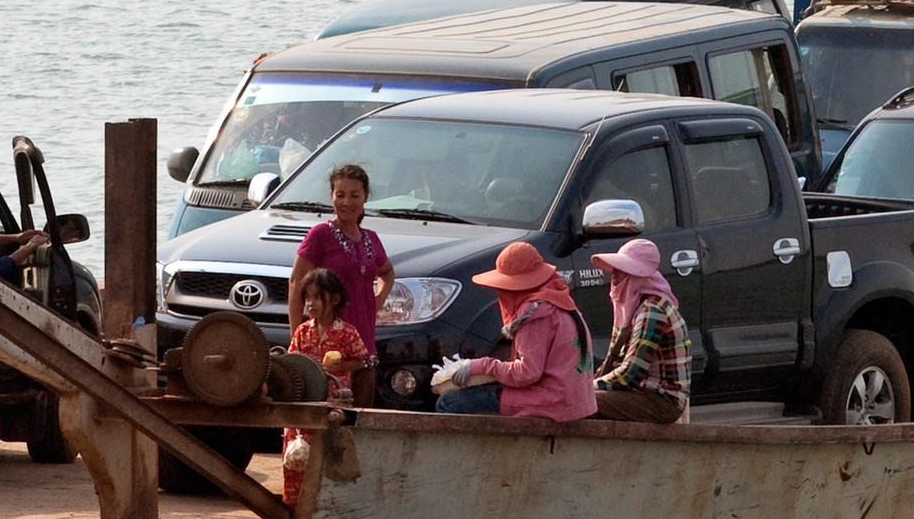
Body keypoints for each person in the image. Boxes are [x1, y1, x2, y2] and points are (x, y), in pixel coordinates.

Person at [431, 243, 593, 421]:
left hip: (550, 401)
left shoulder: (534, 312)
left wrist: (479, 366)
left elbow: (526, 373)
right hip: (570, 399)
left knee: (449, 402)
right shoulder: (559, 300)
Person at [293, 162, 394, 351]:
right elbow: (296, 283)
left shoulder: (371, 238)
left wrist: (378, 299)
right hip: (326, 342)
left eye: (354, 195)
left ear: (365, 197)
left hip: (364, 340)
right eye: (340, 195)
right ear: (331, 197)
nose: (347, 202)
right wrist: (297, 340)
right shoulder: (320, 234)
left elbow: (387, 272)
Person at [590, 237, 692, 424]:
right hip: (642, 394)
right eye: (614, 273)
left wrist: (586, 389)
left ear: (637, 276)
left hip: (661, 401)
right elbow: (615, 366)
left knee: (585, 404)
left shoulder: (652, 311)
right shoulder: (638, 308)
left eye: (621, 274)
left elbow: (630, 374)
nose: (614, 279)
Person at [284, 266, 370, 396]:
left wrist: (342, 366)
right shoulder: (302, 331)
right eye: (307, 298)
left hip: (337, 395)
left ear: (335, 299)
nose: (310, 303)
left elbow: (360, 361)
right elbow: (292, 360)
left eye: (317, 297)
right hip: (307, 395)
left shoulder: (348, 333)